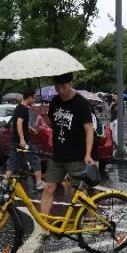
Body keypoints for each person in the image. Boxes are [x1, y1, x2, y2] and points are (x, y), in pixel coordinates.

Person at [40, 72, 97, 218]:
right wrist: (44, 115)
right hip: (58, 154)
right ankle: (43, 226)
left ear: (70, 84)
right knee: (48, 188)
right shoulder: (55, 100)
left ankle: (94, 220)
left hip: (76, 155)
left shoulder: (81, 103)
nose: (60, 90)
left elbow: (89, 129)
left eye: (63, 87)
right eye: (57, 87)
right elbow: (53, 125)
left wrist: (88, 154)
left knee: (76, 193)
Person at [1, 90, 43, 190]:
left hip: (16, 140)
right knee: (34, 158)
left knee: (14, 160)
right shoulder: (23, 109)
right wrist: (23, 140)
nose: (35, 99)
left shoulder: (19, 107)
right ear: (29, 97)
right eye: (34, 97)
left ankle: (4, 181)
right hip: (23, 141)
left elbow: (22, 124)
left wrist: (30, 129)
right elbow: (19, 124)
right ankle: (39, 182)